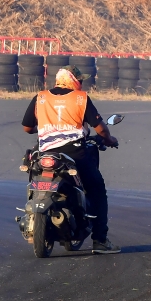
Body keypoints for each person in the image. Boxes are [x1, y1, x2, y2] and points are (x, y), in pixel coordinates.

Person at [21, 65, 121, 255]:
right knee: (97, 190)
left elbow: (27, 127)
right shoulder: (81, 98)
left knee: (34, 178)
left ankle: (32, 224)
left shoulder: (40, 97)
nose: (81, 83)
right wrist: (109, 140)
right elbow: (100, 129)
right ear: (73, 80)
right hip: (75, 154)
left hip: (45, 154)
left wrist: (43, 130)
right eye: (80, 80)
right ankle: (100, 240)